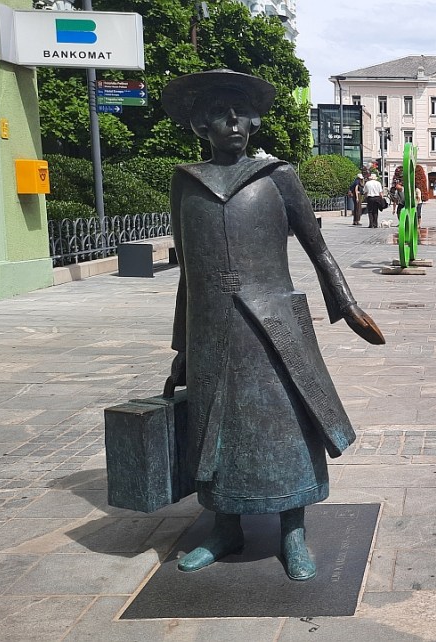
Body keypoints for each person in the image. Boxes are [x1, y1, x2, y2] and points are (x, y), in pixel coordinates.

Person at [161, 69, 385, 581]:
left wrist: (347, 305)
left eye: (241, 112)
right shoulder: (186, 183)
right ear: (201, 124)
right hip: (210, 327)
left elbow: (317, 248)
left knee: (286, 421)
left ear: (254, 121)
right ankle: (224, 528)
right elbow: (188, 271)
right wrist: (182, 347)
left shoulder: (276, 176)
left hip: (273, 324)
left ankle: (292, 532)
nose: (233, 122)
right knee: (216, 426)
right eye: (221, 113)